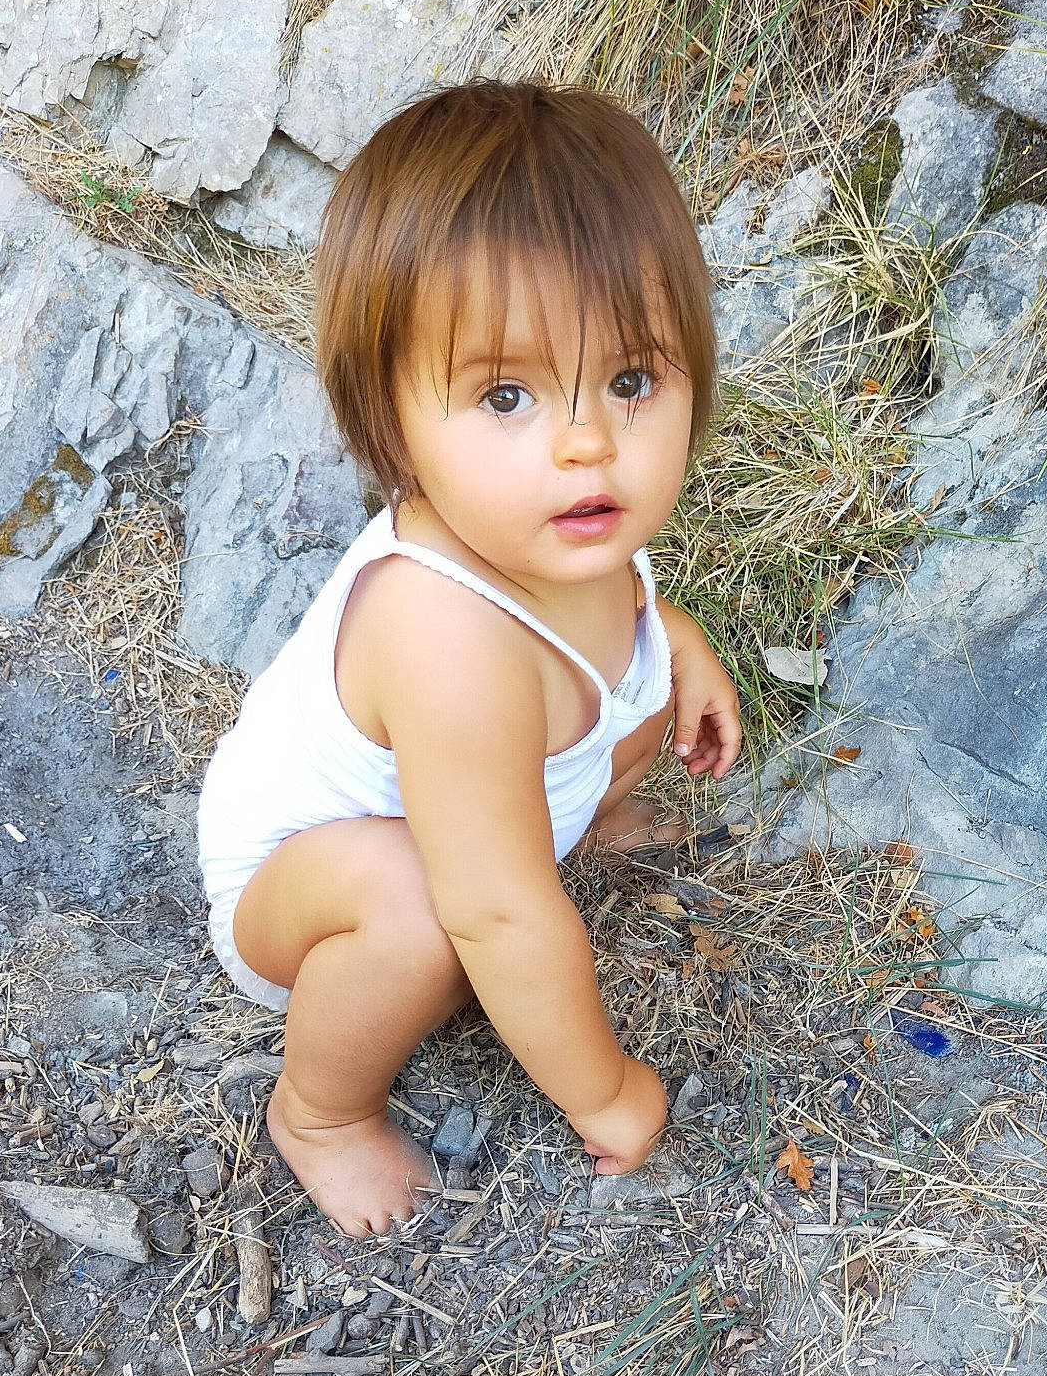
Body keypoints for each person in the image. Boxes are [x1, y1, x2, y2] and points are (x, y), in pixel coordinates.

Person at [196, 80, 741, 1237]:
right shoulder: (439, 631)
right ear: (394, 428)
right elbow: (498, 914)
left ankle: (569, 819)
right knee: (429, 913)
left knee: (620, 702)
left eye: (631, 380)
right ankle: (322, 1111)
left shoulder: (555, 519)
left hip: (481, 795)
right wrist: (608, 1090)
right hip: (305, 886)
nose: (588, 438)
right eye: (506, 393)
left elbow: (621, 604)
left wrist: (678, 644)